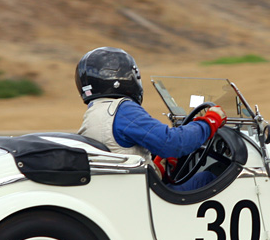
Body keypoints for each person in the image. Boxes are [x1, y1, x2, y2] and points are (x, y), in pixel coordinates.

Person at [75, 47, 227, 191]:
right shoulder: (123, 110)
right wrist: (210, 121)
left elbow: (120, 150)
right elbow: (173, 143)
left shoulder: (94, 112)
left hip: (124, 190)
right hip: (142, 196)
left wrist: (156, 168)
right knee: (211, 177)